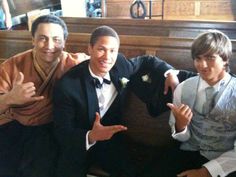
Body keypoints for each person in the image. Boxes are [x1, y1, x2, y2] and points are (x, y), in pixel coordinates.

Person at [53, 25, 184, 177]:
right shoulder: (67, 85)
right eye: (101, 49)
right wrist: (90, 135)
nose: (107, 57)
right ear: (90, 49)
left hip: (112, 142)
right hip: (79, 144)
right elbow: (62, 132)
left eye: (112, 51)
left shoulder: (119, 64)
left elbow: (146, 61)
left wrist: (170, 73)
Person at [0, 14, 87, 177]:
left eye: (56, 39)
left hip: (51, 128)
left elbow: (106, 60)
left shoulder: (74, 64)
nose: (49, 46)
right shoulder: (12, 65)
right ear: (32, 40)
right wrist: (10, 98)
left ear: (64, 42)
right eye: (42, 39)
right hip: (16, 125)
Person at [142, 30, 236, 177]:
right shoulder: (183, 88)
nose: (202, 65)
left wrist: (206, 172)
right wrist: (181, 125)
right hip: (188, 151)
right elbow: (180, 137)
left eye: (210, 58)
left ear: (225, 59)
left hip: (225, 160)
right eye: (198, 58)